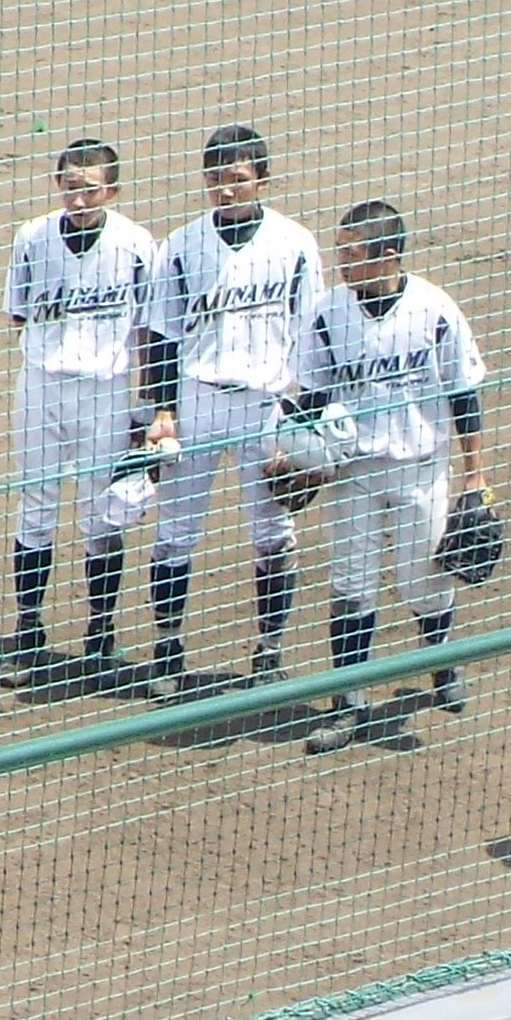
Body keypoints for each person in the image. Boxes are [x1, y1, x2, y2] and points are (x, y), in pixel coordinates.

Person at [291, 198, 493, 747]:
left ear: (388, 256)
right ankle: (347, 702)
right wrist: (294, 456)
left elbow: (464, 396)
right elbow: (310, 396)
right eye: (341, 251)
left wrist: (475, 478)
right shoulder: (328, 312)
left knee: (423, 585)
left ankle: (443, 663)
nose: (343, 263)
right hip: (354, 474)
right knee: (351, 589)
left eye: (353, 254)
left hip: (421, 470)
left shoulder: (435, 309)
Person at [142, 123, 324, 694]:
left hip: (268, 404)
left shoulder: (295, 244)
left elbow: (313, 332)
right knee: (175, 533)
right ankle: (168, 649)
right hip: (196, 400)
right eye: (217, 179)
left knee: (274, 531)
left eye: (239, 180)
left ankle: (269, 651)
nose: (226, 190)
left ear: (262, 181)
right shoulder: (181, 245)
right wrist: (162, 410)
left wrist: (303, 418)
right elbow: (160, 336)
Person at [0, 140, 163, 690]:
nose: (79, 197)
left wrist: (148, 404)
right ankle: (28, 636)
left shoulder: (138, 244)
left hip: (107, 390)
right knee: (36, 506)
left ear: (111, 191)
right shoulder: (32, 238)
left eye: (91, 187)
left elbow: (148, 329)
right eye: (70, 185)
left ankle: (100, 637)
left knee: (104, 513)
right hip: (42, 384)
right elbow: (19, 316)